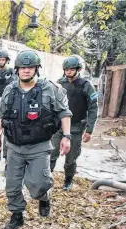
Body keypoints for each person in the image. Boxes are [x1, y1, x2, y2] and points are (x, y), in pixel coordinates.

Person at [0, 50, 72, 229]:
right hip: (14, 146)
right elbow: (1, 115)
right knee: (12, 184)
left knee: (38, 183)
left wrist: (66, 137)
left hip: (39, 146)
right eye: (22, 67)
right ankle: (17, 215)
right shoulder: (10, 90)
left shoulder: (50, 89)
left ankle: (44, 197)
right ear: (17, 70)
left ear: (36, 69)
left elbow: (64, 113)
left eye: (30, 67)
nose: (26, 71)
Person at [50, 55, 98, 190]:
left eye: (71, 69)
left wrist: (89, 129)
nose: (69, 71)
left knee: (70, 160)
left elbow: (93, 108)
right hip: (58, 127)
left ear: (78, 69)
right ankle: (47, 180)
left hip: (76, 128)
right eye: (66, 69)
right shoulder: (59, 83)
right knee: (51, 155)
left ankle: (68, 181)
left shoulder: (86, 85)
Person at [0, 50, 15, 163]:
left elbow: (14, 84)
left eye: (3, 60)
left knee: (7, 129)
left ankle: (6, 155)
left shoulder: (11, 72)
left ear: (6, 61)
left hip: (8, 103)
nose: (1, 61)